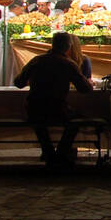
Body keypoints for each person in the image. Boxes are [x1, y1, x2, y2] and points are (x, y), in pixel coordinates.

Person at [14, 31, 93, 167]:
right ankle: (60, 154)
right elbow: (85, 89)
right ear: (68, 47)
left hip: (33, 107)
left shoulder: (37, 60)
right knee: (75, 121)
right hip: (57, 108)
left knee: (39, 123)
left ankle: (50, 154)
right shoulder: (68, 64)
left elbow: (18, 82)